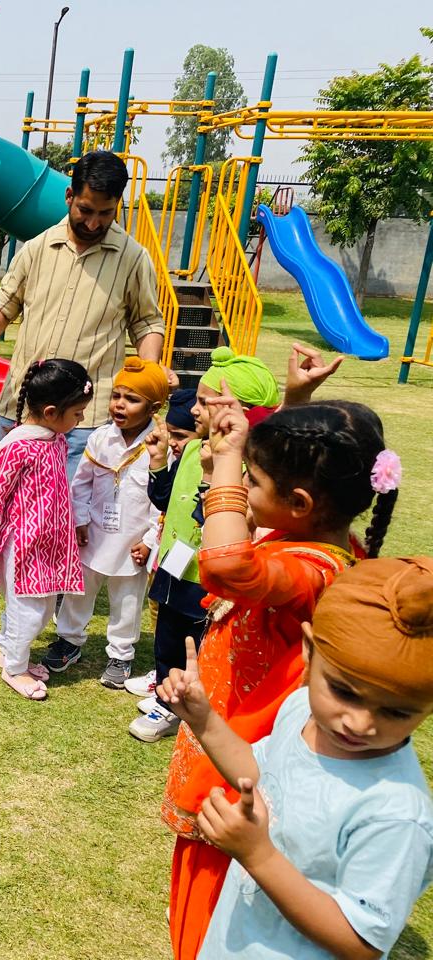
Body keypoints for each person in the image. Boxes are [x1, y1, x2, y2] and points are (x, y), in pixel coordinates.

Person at [161, 393, 398, 960]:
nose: (243, 486)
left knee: (211, 921)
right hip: (230, 744)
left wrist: (227, 460)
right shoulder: (307, 535)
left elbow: (225, 564)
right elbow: (294, 492)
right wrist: (295, 404)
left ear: (298, 502)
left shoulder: (315, 571)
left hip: (243, 771)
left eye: (253, 480)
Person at [0, 150, 166, 604]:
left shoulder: (132, 258)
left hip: (81, 413)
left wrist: (149, 372)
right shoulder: (37, 247)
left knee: (65, 500)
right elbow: (5, 302)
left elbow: (147, 322)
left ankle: (52, 584)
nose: (94, 222)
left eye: (106, 213)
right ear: (69, 196)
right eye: (85, 209)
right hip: (20, 402)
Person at [160, 557, 433, 960]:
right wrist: (204, 720)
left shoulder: (396, 815)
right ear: (309, 650)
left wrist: (259, 857)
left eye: (396, 712)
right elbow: (258, 773)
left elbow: (362, 944)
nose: (359, 723)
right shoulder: (302, 709)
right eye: (344, 691)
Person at [129, 349, 283, 745]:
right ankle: (164, 695)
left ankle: (188, 707)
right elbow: (165, 501)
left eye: (204, 402)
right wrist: (159, 462)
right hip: (174, 566)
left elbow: (216, 518)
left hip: (208, 578)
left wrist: (213, 476)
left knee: (198, 644)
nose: (194, 410)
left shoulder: (248, 467)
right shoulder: (193, 449)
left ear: (239, 412)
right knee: (167, 636)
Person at [0, 359, 93, 701]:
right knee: (29, 610)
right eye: (78, 413)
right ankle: (15, 667)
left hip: (50, 541)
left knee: (40, 608)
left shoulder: (56, 439)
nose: (82, 418)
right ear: (52, 412)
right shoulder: (18, 445)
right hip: (24, 543)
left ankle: (10, 650)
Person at [49, 357, 169, 686]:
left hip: (133, 542)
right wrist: (80, 520)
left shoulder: (161, 447)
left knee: (127, 601)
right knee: (78, 591)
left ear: (154, 407)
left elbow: (163, 501)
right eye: (116, 395)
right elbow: (81, 484)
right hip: (94, 534)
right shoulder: (101, 438)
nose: (119, 404)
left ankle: (121, 653)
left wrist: (149, 540)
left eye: (131, 399)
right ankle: (69, 640)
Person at [123, 387, 200, 701]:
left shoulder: (211, 462)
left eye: (180, 436)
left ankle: (177, 695)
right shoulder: (185, 457)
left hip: (198, 569)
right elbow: (163, 499)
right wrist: (157, 460)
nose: (174, 443)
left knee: (191, 631)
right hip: (171, 557)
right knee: (164, 619)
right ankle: (162, 680)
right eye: (171, 434)